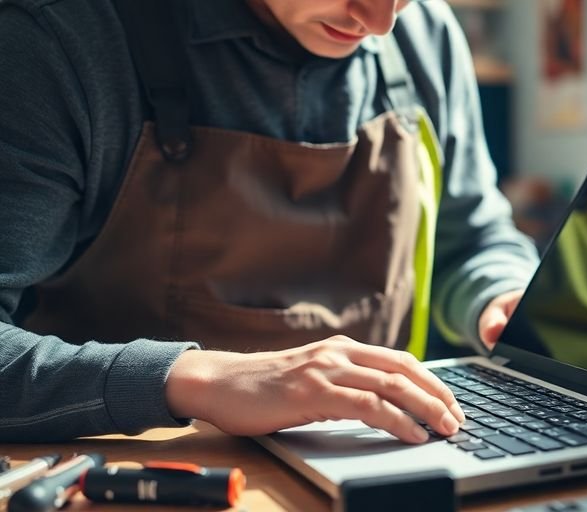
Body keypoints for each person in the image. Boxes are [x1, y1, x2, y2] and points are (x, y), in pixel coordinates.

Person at [0, 0, 539, 443]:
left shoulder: (426, 34)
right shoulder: (59, 41)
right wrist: (200, 380)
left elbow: (470, 237)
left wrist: (496, 294)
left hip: (381, 464)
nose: (381, 22)